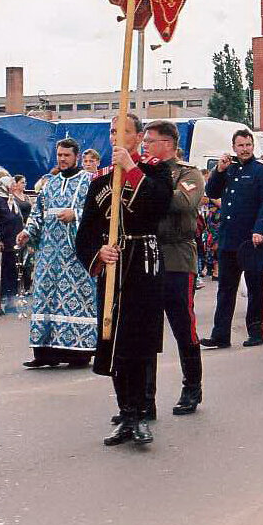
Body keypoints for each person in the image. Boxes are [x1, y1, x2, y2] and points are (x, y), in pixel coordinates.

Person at [75, 113, 174, 447]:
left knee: (140, 342)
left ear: (138, 136)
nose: (118, 137)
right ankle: (125, 413)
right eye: (113, 132)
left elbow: (159, 206)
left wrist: (131, 168)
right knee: (113, 339)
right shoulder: (100, 179)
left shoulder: (155, 169)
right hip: (113, 269)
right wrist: (99, 253)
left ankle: (142, 412)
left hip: (143, 263)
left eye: (125, 132)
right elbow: (86, 231)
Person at [141, 120, 205, 416]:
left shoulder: (187, 173)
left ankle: (192, 386)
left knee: (183, 325)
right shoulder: (145, 171)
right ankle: (145, 397)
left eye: (150, 140)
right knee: (146, 329)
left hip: (177, 255)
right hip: (146, 254)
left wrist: (153, 187)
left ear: (167, 143)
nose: (145, 145)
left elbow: (182, 202)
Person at [15, 138, 96, 369]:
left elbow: (99, 215)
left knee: (76, 300)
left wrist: (76, 215)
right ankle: (45, 354)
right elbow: (37, 213)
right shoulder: (49, 183)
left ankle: (77, 354)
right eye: (59, 155)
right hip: (49, 255)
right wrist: (27, 232)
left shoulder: (89, 182)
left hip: (75, 256)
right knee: (45, 301)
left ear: (76, 157)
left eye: (66, 156)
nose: (62, 159)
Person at [201, 130, 263, 349]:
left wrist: (260, 229)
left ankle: (255, 331)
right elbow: (212, 190)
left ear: (253, 146)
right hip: (228, 238)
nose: (245, 149)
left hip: (252, 239)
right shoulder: (229, 169)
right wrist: (218, 170)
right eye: (241, 145)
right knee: (225, 289)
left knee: (255, 288)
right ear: (233, 147)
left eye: (248, 145)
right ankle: (220, 335)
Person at [0, 175, 24, 314]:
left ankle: (11, 303)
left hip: (13, 244)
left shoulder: (11, 201)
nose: (13, 186)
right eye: (10, 184)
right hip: (1, 244)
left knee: (12, 274)